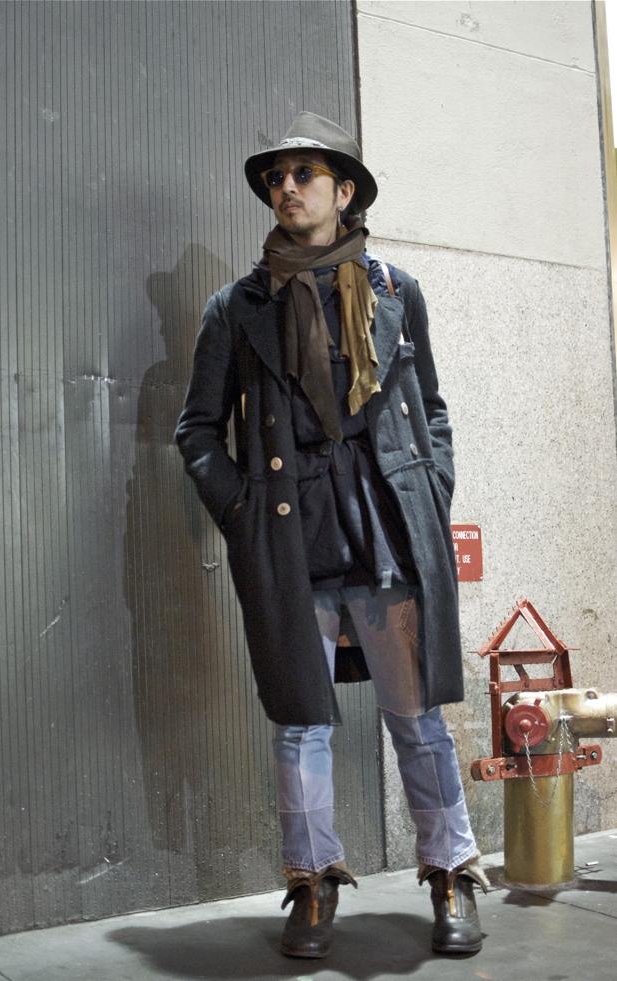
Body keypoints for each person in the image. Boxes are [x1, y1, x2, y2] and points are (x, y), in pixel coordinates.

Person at [175, 111, 487, 959]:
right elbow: (196, 429)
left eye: (303, 173)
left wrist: (430, 489)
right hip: (289, 537)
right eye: (276, 177)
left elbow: (432, 410)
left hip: (387, 527)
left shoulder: (395, 289)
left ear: (344, 192)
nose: (286, 187)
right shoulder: (237, 307)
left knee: (416, 719)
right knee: (300, 725)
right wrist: (241, 513)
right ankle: (312, 881)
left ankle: (451, 871)